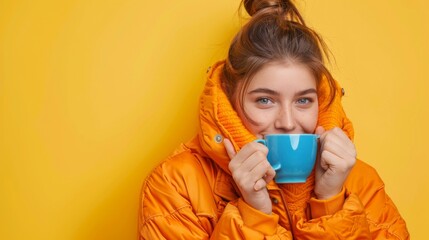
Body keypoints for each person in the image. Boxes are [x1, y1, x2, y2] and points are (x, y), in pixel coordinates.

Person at [138, 0, 409, 239]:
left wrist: (331, 204)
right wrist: (254, 217)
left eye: (303, 100)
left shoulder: (361, 183)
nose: (288, 122)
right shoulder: (176, 184)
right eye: (265, 100)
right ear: (231, 101)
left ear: (321, 100)